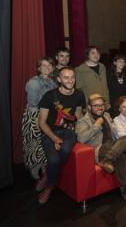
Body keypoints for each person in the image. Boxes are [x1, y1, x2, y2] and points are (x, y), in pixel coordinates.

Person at [37, 67, 86, 204]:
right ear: (59, 79)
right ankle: (49, 187)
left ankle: (48, 176)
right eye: (66, 77)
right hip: (50, 132)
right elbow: (41, 122)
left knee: (64, 151)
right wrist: (54, 138)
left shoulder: (79, 94)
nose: (70, 80)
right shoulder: (49, 95)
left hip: (69, 132)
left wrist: (89, 123)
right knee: (53, 160)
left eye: (72, 77)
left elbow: (77, 114)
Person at [75, 94, 126, 202]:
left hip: (112, 146)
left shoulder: (107, 115)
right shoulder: (82, 121)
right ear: (89, 107)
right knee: (120, 156)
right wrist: (97, 125)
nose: (100, 107)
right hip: (99, 149)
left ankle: (107, 160)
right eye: (96, 105)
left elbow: (115, 131)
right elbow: (81, 138)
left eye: (101, 105)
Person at [22, 57, 58, 182]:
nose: (47, 68)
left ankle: (43, 165)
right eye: (44, 65)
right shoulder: (34, 83)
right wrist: (37, 122)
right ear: (39, 68)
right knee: (34, 143)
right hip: (34, 116)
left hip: (46, 116)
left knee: (44, 144)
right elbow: (33, 105)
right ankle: (33, 167)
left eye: (50, 65)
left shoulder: (53, 82)